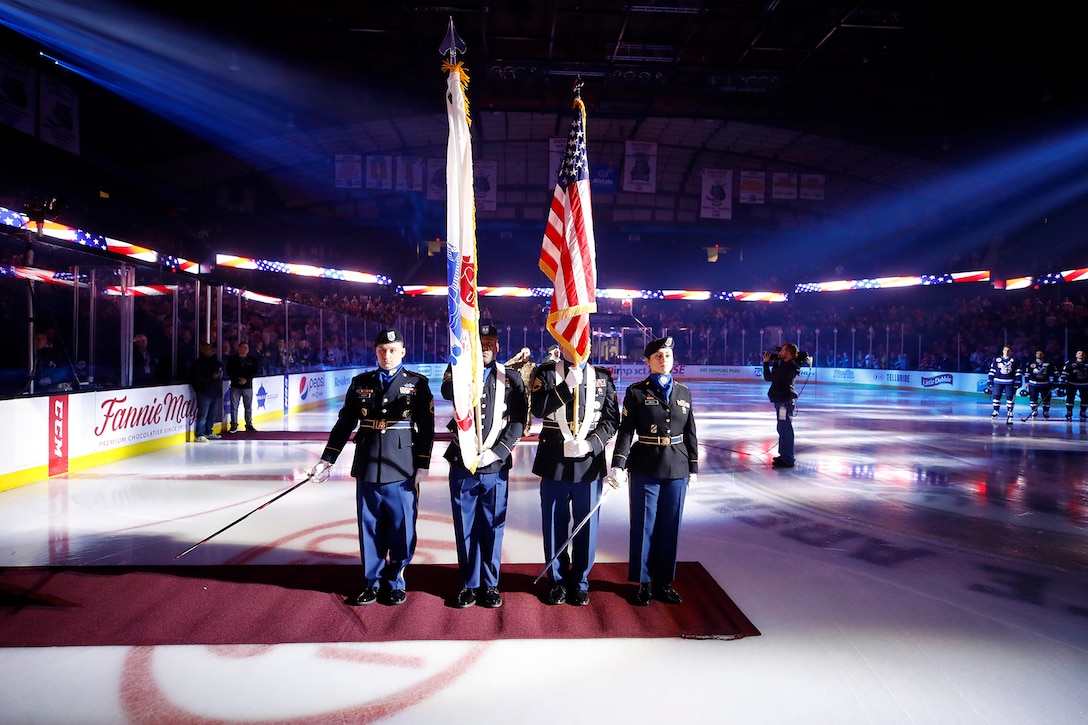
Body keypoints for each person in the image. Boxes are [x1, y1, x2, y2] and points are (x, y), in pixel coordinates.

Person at [311, 329, 434, 606]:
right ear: (375, 351)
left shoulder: (417, 384)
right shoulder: (360, 383)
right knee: (370, 527)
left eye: (392, 350)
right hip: (368, 464)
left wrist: (423, 464)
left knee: (402, 528)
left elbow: (426, 429)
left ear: (403, 351)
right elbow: (344, 424)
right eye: (382, 350)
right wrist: (327, 458)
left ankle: (396, 580)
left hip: (402, 467)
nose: (387, 355)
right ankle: (373, 582)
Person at [440, 324, 527, 608]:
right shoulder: (458, 372)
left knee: (492, 526)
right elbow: (445, 391)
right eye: (481, 343)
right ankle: (469, 584)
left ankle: (490, 584)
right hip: (463, 463)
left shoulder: (511, 378)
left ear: (497, 347)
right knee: (465, 526)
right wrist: (462, 365)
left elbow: (518, 421)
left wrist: (500, 451)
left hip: (495, 466)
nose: (486, 347)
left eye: (490, 343)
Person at [610, 336, 698, 606]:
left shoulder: (684, 392)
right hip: (645, 465)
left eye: (668, 356)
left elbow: (690, 431)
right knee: (644, 526)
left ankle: (663, 581)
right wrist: (618, 464)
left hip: (678, 466)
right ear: (647, 361)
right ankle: (644, 582)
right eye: (658, 356)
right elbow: (626, 431)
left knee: (670, 526)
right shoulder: (636, 392)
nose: (664, 360)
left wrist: (693, 466)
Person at [529, 344, 619, 606]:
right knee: (554, 525)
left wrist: (592, 444)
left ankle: (579, 581)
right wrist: (566, 385)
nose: (579, 346)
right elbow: (538, 409)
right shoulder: (546, 373)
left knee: (586, 527)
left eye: (584, 342)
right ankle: (557, 581)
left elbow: (612, 421)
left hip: (589, 463)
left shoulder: (602, 376)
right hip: (554, 461)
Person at [763, 343, 802, 468]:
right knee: (782, 428)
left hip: (784, 403)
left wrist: (766, 363)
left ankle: (788, 458)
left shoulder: (788, 367)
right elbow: (776, 377)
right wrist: (774, 363)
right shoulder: (786, 366)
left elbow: (768, 377)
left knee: (785, 429)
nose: (780, 353)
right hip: (782, 401)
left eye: (783, 351)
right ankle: (784, 455)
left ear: (789, 353)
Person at [189, 342, 223, 442]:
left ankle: (209, 431)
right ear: (203, 350)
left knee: (212, 415)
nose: (211, 350)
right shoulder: (198, 363)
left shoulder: (214, 362)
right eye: (208, 349)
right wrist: (211, 378)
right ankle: (199, 434)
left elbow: (219, 366)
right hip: (204, 393)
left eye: (211, 349)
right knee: (202, 415)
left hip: (214, 392)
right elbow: (195, 378)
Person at [225, 341, 260, 432]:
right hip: (235, 386)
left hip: (248, 386)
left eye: (247, 348)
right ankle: (234, 425)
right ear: (238, 348)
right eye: (243, 347)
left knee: (248, 407)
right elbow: (229, 371)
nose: (245, 349)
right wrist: (237, 379)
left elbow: (254, 371)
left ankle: (248, 424)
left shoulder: (252, 360)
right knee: (234, 407)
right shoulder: (232, 359)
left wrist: (246, 379)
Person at [986, 345, 1020, 424]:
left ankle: (1010, 411)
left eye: (1008, 350)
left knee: (1009, 397)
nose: (1006, 352)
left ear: (1010, 351)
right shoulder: (996, 359)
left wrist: (1018, 381)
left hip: (1009, 382)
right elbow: (992, 370)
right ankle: (995, 410)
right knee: (996, 396)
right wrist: (990, 380)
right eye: (1005, 350)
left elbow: (1018, 371)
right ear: (1002, 351)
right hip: (998, 381)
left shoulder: (1014, 360)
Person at [1022, 350, 1055, 421]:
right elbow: (1027, 373)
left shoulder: (1049, 363)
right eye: (1037, 353)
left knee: (1046, 398)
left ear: (1043, 354)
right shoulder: (1030, 363)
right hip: (1033, 384)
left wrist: (1053, 382)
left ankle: (1046, 411)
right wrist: (1027, 382)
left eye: (1041, 353)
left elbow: (1053, 373)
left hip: (1045, 384)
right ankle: (1034, 410)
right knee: (1033, 397)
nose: (1039, 354)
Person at [1060, 349, 1088, 421]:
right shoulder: (1070, 363)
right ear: (1076, 355)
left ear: (1085, 355)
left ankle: (1083, 412)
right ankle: (1069, 412)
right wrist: (1063, 380)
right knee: (1070, 398)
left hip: (1085, 384)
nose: (1081, 354)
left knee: (1085, 399)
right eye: (1079, 353)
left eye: (1082, 353)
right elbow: (1065, 372)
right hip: (1072, 383)